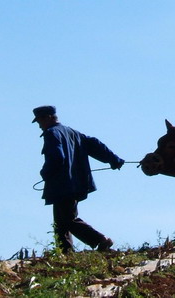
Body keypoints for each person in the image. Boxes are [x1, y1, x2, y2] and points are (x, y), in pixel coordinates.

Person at [32, 105, 125, 253]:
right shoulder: (73, 133)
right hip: (78, 184)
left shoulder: (51, 133)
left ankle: (101, 240)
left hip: (62, 185)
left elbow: (57, 157)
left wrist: (45, 173)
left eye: (39, 122)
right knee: (61, 222)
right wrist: (113, 159)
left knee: (68, 220)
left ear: (48, 117)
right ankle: (65, 254)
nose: (39, 126)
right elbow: (95, 145)